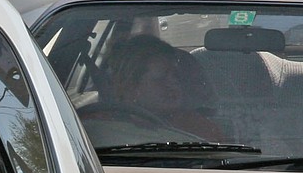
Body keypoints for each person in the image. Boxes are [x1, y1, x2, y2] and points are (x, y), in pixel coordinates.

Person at [95, 34, 223, 139]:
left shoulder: (200, 129)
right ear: (131, 87)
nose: (173, 83)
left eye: (175, 76)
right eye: (161, 78)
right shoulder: (95, 129)